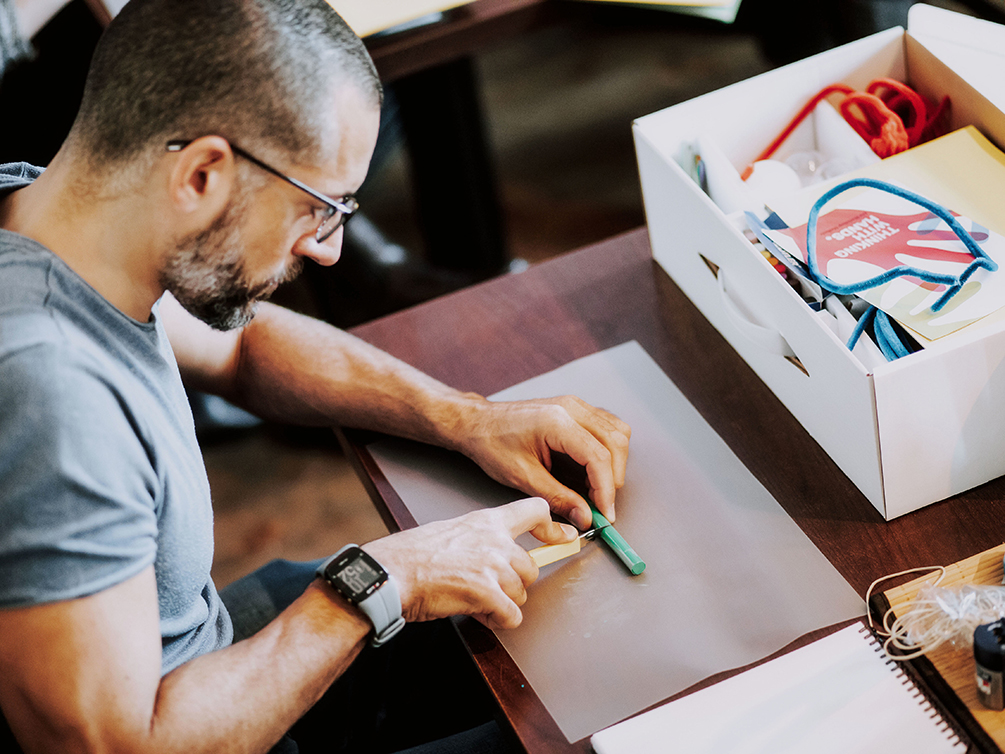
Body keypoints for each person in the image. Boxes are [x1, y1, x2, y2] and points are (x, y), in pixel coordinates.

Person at [0, 1, 631, 752]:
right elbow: (114, 748)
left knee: (559, 620)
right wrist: (372, 584)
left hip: (199, 657)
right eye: (318, 207)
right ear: (202, 172)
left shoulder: (54, 218)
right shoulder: (56, 397)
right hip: (175, 726)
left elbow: (238, 349)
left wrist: (467, 419)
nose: (329, 250)